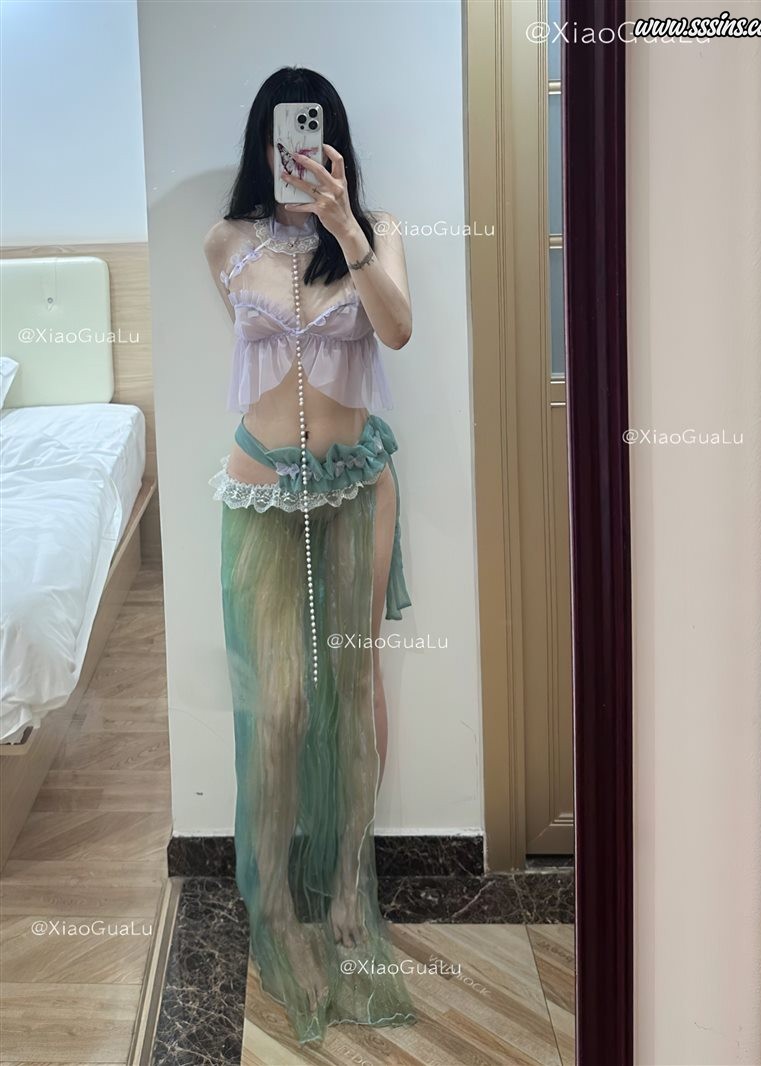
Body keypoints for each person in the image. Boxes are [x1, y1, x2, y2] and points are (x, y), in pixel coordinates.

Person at [203, 66, 415, 1044]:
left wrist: (344, 228)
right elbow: (256, 353)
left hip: (357, 488)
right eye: (283, 136)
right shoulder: (226, 241)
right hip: (261, 492)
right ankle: (278, 905)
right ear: (264, 145)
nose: (296, 151)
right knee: (278, 704)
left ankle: (345, 893)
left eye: (312, 134)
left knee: (354, 688)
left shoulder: (376, 231)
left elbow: (396, 331)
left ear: (334, 144)